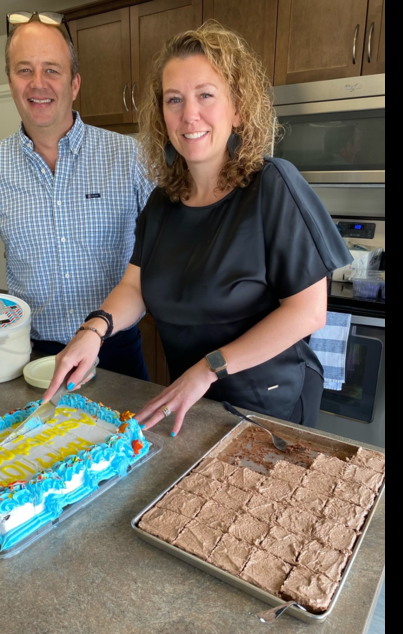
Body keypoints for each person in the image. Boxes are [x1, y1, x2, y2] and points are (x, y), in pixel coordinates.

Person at [43, 20, 353, 436]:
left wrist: (208, 369)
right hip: (192, 402)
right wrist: (93, 332)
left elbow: (308, 312)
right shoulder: (162, 202)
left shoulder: (272, 186)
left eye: (205, 95)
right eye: (174, 99)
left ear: (238, 108)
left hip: (267, 405)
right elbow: (134, 287)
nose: (189, 115)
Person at [0, 11, 155, 381]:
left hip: (116, 351)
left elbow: (168, 242)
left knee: (129, 439)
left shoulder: (129, 157)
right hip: (33, 356)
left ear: (74, 84)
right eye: (24, 70)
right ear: (10, 82)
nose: (38, 84)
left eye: (52, 70)